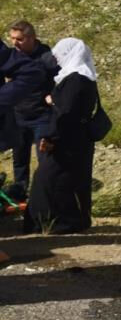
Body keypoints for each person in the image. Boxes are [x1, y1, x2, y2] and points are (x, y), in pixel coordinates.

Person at [25, 38, 99, 235]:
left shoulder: (75, 79)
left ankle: (53, 222)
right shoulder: (85, 77)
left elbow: (65, 112)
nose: (57, 58)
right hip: (78, 138)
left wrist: (50, 137)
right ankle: (71, 220)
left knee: (48, 178)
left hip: (66, 138)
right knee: (70, 180)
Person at [7, 20, 54, 200]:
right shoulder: (13, 57)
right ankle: (20, 192)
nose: (14, 43)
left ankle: (44, 196)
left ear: (32, 38)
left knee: (44, 159)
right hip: (18, 115)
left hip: (41, 116)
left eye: (19, 39)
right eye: (12, 39)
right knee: (19, 159)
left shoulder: (47, 57)